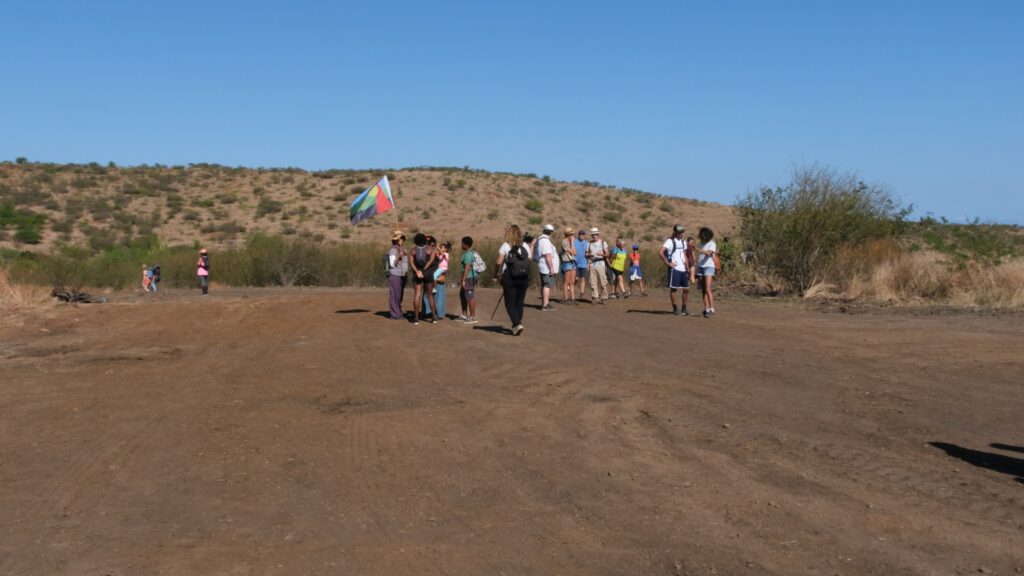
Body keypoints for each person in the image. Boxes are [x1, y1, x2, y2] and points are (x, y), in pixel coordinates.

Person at [494, 224, 531, 335]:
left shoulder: (506, 245)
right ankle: (516, 325)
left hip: (509, 277)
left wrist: (495, 274)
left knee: (509, 303)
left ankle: (517, 323)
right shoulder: (524, 245)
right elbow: (529, 260)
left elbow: (498, 262)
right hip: (524, 277)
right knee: (519, 302)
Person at [660, 224, 694, 316]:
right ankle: (675, 309)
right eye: (679, 232)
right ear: (675, 232)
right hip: (674, 269)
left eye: (682, 232)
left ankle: (684, 308)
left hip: (683, 269)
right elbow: (660, 252)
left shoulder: (683, 242)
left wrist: (687, 268)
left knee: (686, 289)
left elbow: (684, 256)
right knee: (674, 289)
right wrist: (668, 263)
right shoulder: (670, 241)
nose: (681, 233)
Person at [409, 233, 438, 324]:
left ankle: (416, 319)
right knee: (430, 295)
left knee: (417, 295)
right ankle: (433, 317)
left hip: (417, 274)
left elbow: (411, 263)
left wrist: (417, 271)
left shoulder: (413, 251)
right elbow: (430, 262)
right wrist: (423, 270)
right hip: (428, 274)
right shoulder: (430, 249)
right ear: (425, 240)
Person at [424, 240, 449, 320]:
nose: (432, 246)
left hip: (439, 275)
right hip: (430, 277)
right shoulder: (428, 253)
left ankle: (439, 313)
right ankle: (428, 312)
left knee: (438, 297)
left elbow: (442, 259)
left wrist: (438, 250)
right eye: (430, 245)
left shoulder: (445, 254)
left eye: (433, 245)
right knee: (429, 296)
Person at [534, 224, 557, 311]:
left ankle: (544, 303)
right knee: (547, 285)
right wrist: (551, 268)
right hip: (546, 266)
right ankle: (545, 304)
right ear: (551, 232)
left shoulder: (539, 239)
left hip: (541, 265)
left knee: (544, 284)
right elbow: (548, 255)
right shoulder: (546, 241)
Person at [386, 230, 408, 320]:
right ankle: (394, 313)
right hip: (395, 274)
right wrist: (399, 256)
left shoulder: (404, 249)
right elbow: (392, 264)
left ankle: (398, 310)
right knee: (395, 294)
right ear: (396, 240)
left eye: (402, 238)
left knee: (400, 294)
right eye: (400, 238)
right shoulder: (392, 251)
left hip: (403, 275)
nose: (402, 240)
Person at [697, 227, 718, 318]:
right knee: (703, 290)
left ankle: (712, 309)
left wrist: (698, 249)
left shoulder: (712, 244)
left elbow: (709, 253)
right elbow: (700, 258)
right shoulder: (700, 244)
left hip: (709, 267)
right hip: (700, 267)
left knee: (708, 288)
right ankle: (706, 309)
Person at [586, 227, 610, 303]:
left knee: (603, 282)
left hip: (601, 264)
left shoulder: (603, 243)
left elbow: (607, 254)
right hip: (592, 264)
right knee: (593, 282)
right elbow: (586, 254)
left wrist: (602, 254)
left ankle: (604, 297)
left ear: (598, 234)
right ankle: (595, 297)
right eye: (593, 235)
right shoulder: (589, 243)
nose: (594, 236)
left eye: (595, 234)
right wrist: (590, 255)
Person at [459, 236, 479, 324]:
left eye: (462, 243)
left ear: (466, 245)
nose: (461, 245)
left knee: (470, 296)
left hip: (469, 277)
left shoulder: (468, 254)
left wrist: (463, 280)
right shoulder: (469, 252)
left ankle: (473, 317)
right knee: (462, 294)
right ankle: (464, 315)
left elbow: (467, 267)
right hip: (469, 277)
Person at [574, 229, 589, 302]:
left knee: (583, 278)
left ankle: (582, 292)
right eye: (581, 234)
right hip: (575, 263)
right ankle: (572, 290)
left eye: (583, 235)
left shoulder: (586, 243)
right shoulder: (574, 241)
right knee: (576, 278)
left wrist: (588, 264)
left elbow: (588, 254)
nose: (582, 236)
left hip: (584, 263)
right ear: (578, 235)